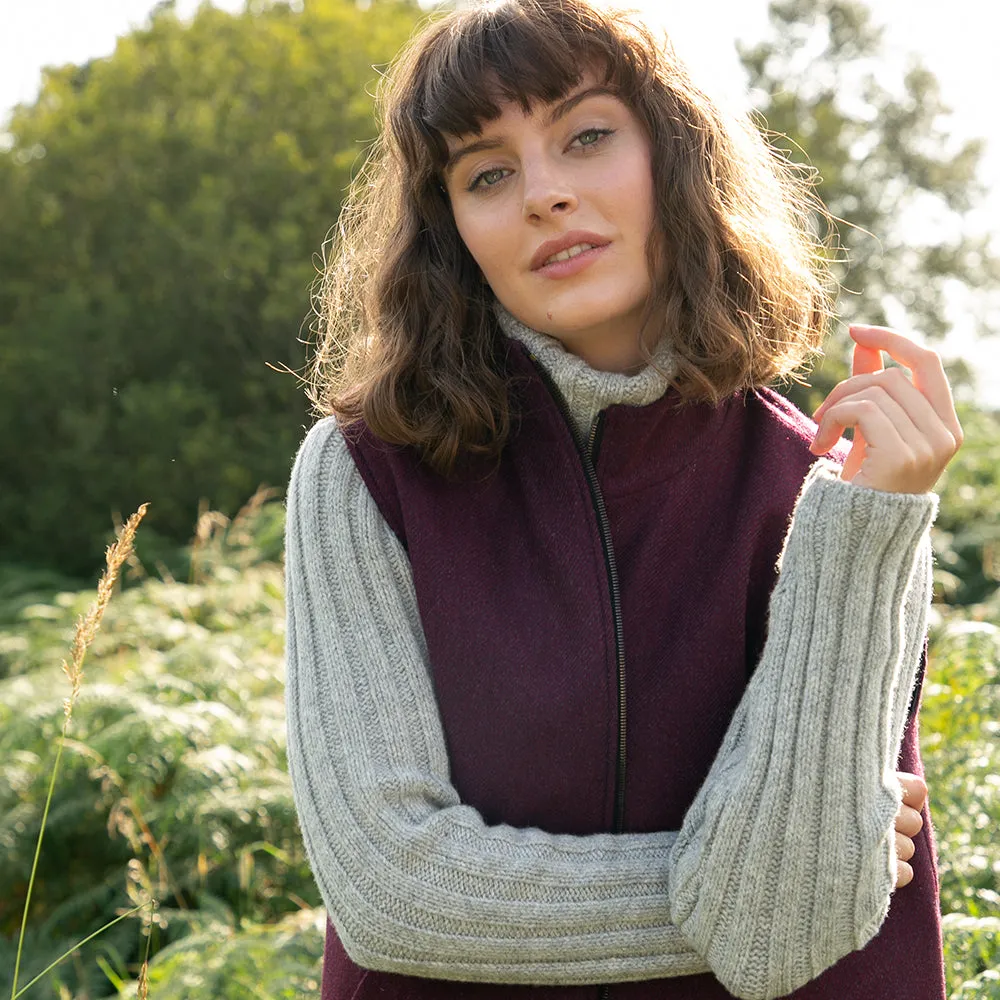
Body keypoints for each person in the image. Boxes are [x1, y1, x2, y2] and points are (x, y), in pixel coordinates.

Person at [282, 1, 962, 998]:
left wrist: (859, 535)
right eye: (487, 173)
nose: (543, 196)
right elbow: (390, 888)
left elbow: (788, 938)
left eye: (586, 136)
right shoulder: (364, 475)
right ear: (452, 232)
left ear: (673, 155)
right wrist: (758, 881)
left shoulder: (834, 496)